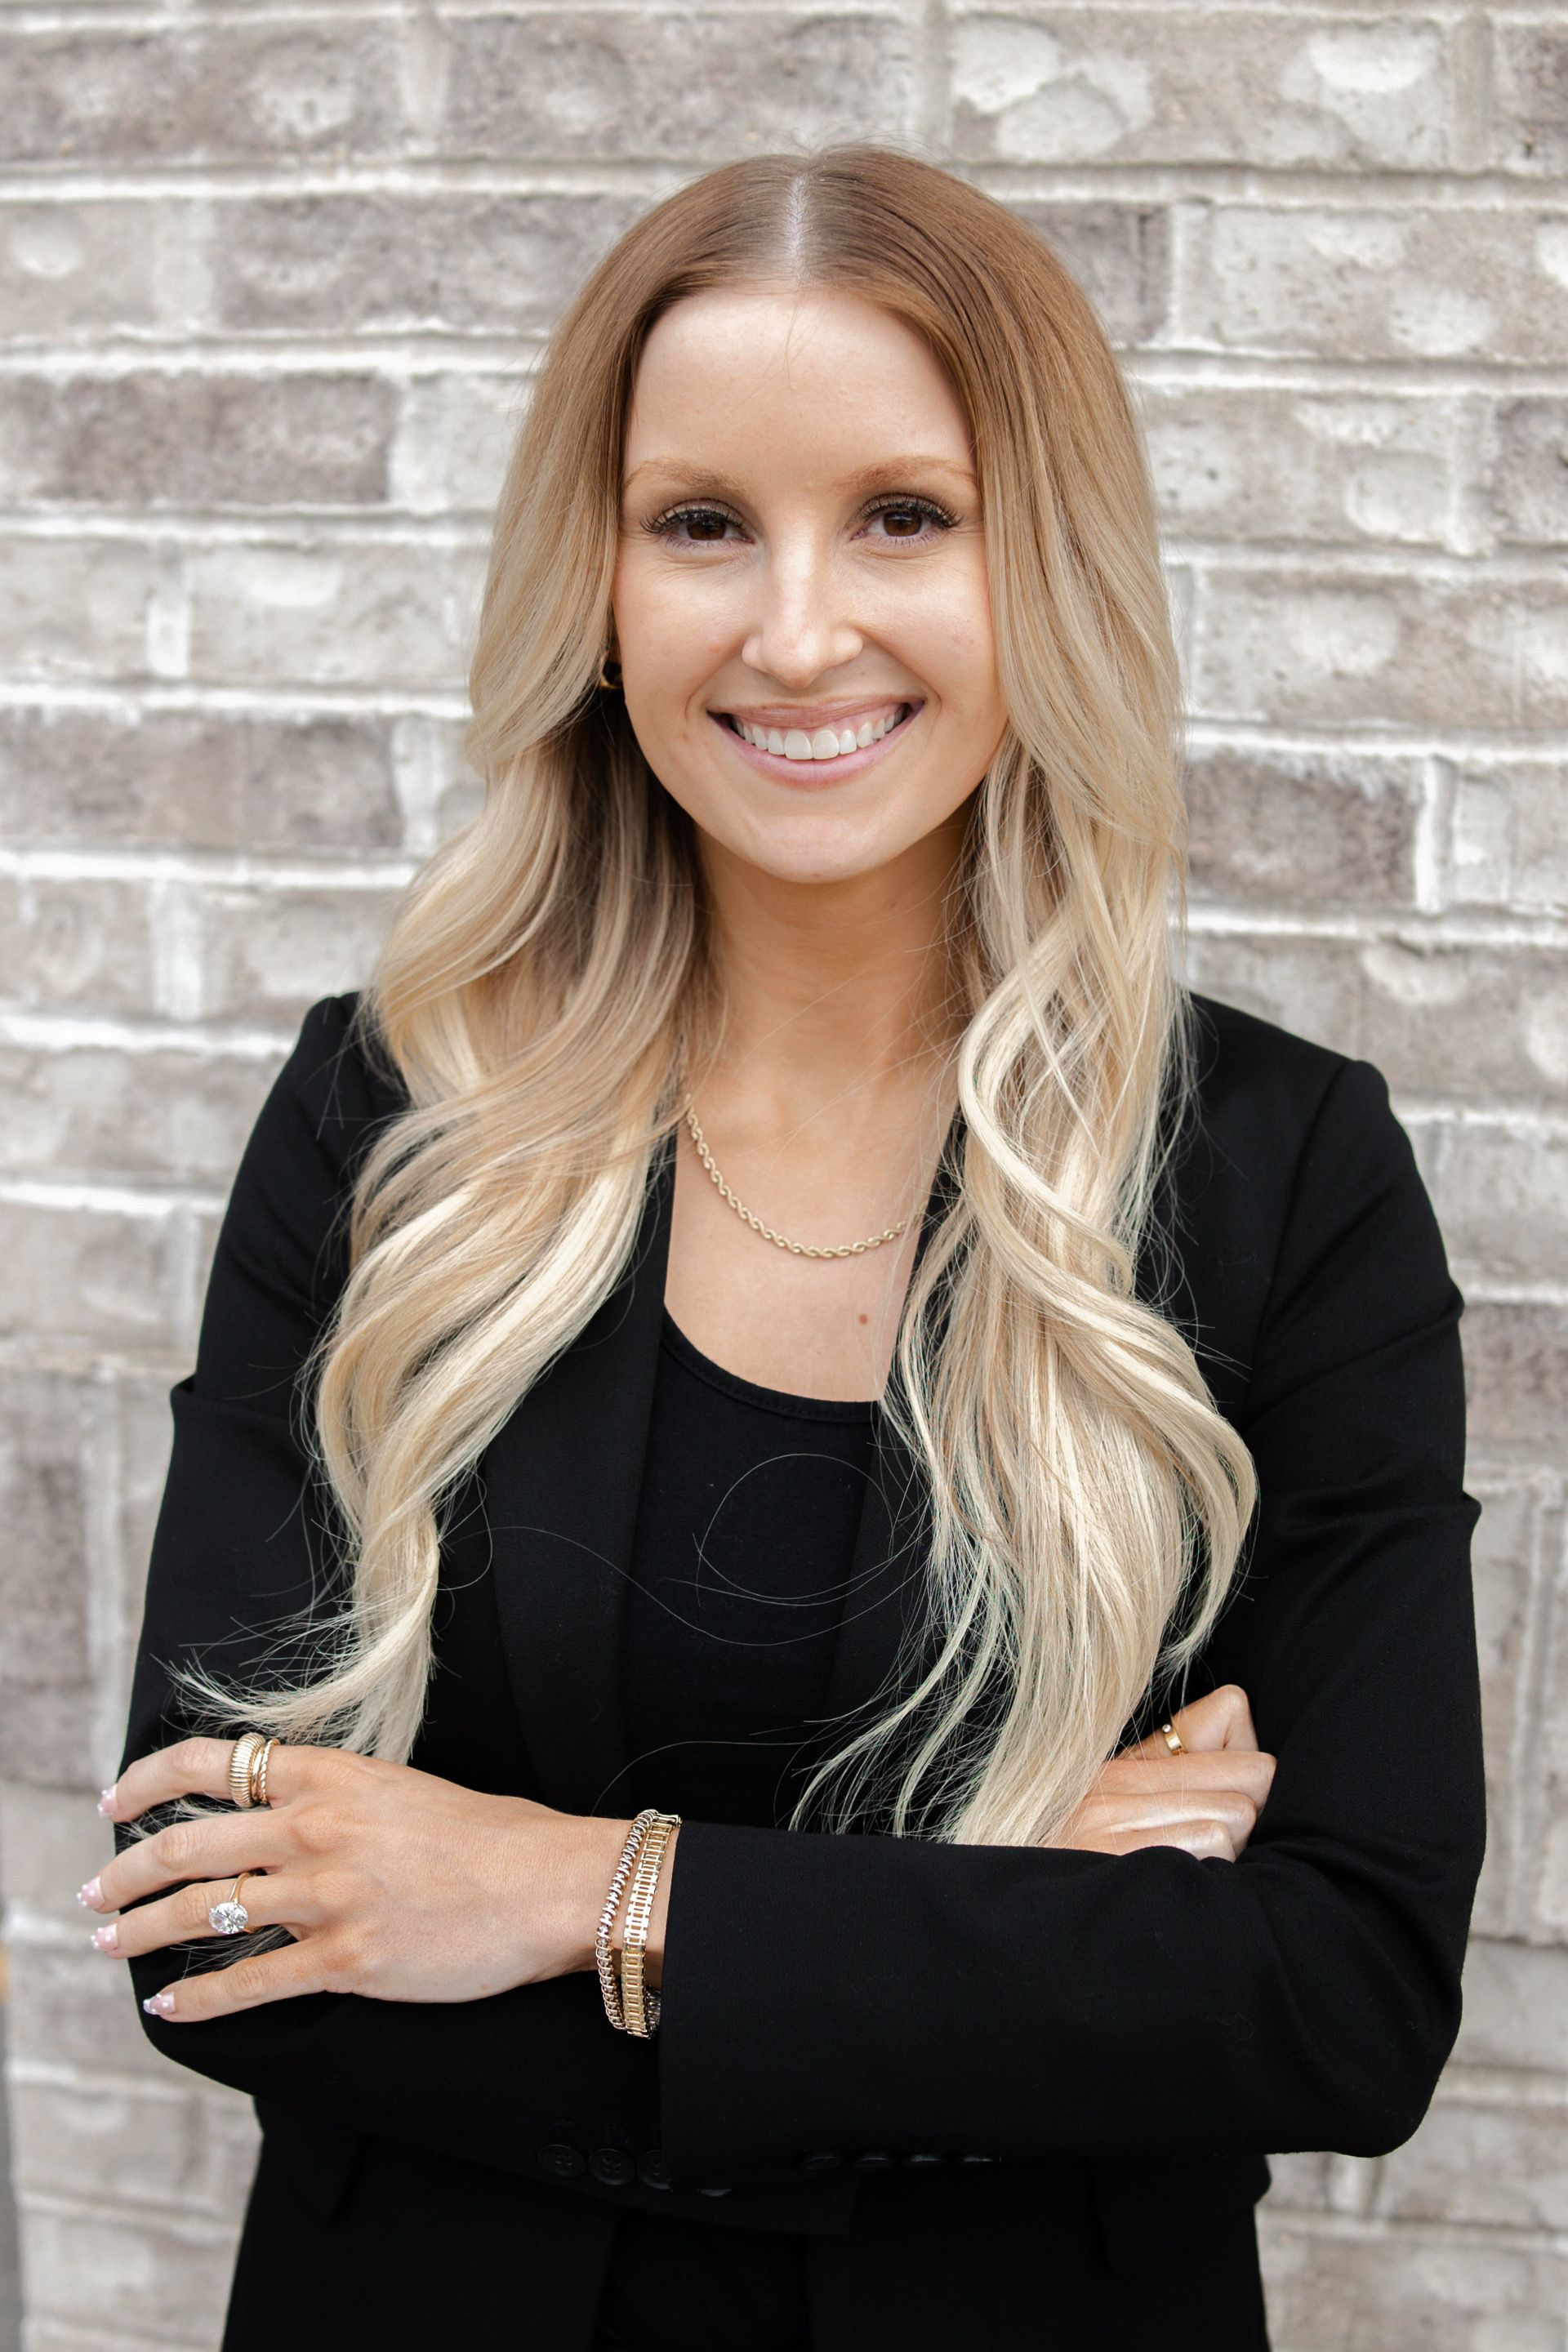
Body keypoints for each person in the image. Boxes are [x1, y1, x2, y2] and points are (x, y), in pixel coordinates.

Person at [84, 145, 1486, 2351]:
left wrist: (570, 1890)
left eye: (905, 516)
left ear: (1050, 566)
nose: (799, 627)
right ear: (602, 573)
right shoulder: (392, 1115)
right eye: (703, 521)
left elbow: (1340, 1998)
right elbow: (211, 1929)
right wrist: (1002, 1929)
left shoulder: (1280, 1173)